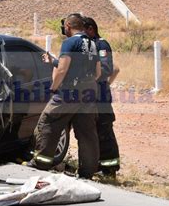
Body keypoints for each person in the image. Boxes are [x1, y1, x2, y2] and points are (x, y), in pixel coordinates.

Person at [25, 13, 101, 179]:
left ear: (68, 26)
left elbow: (62, 69)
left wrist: (54, 88)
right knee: (86, 131)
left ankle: (41, 162)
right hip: (89, 92)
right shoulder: (92, 44)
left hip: (69, 92)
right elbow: (97, 72)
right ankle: (87, 171)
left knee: (48, 122)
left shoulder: (70, 42)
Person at [83, 17, 121, 176]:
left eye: (84, 31)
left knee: (104, 129)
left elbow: (108, 69)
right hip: (91, 94)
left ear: (91, 29)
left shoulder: (101, 45)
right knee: (93, 130)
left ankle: (110, 168)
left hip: (101, 95)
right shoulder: (88, 46)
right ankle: (97, 164)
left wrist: (103, 84)